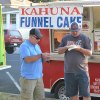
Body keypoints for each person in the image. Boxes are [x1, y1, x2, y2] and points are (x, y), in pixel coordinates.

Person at [58, 22, 92, 100]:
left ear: (80, 29)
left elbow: (90, 53)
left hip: (82, 71)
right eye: (73, 31)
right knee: (73, 94)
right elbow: (59, 51)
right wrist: (66, 47)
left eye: (76, 31)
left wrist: (78, 48)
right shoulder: (65, 38)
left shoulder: (85, 38)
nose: (75, 32)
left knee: (86, 94)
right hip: (69, 71)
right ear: (70, 30)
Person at [19, 28, 50, 100]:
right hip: (28, 78)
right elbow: (27, 59)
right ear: (31, 36)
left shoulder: (37, 46)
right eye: (37, 38)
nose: (39, 40)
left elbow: (39, 60)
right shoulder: (24, 46)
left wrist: (45, 58)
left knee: (41, 98)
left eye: (39, 38)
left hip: (38, 77)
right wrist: (41, 55)